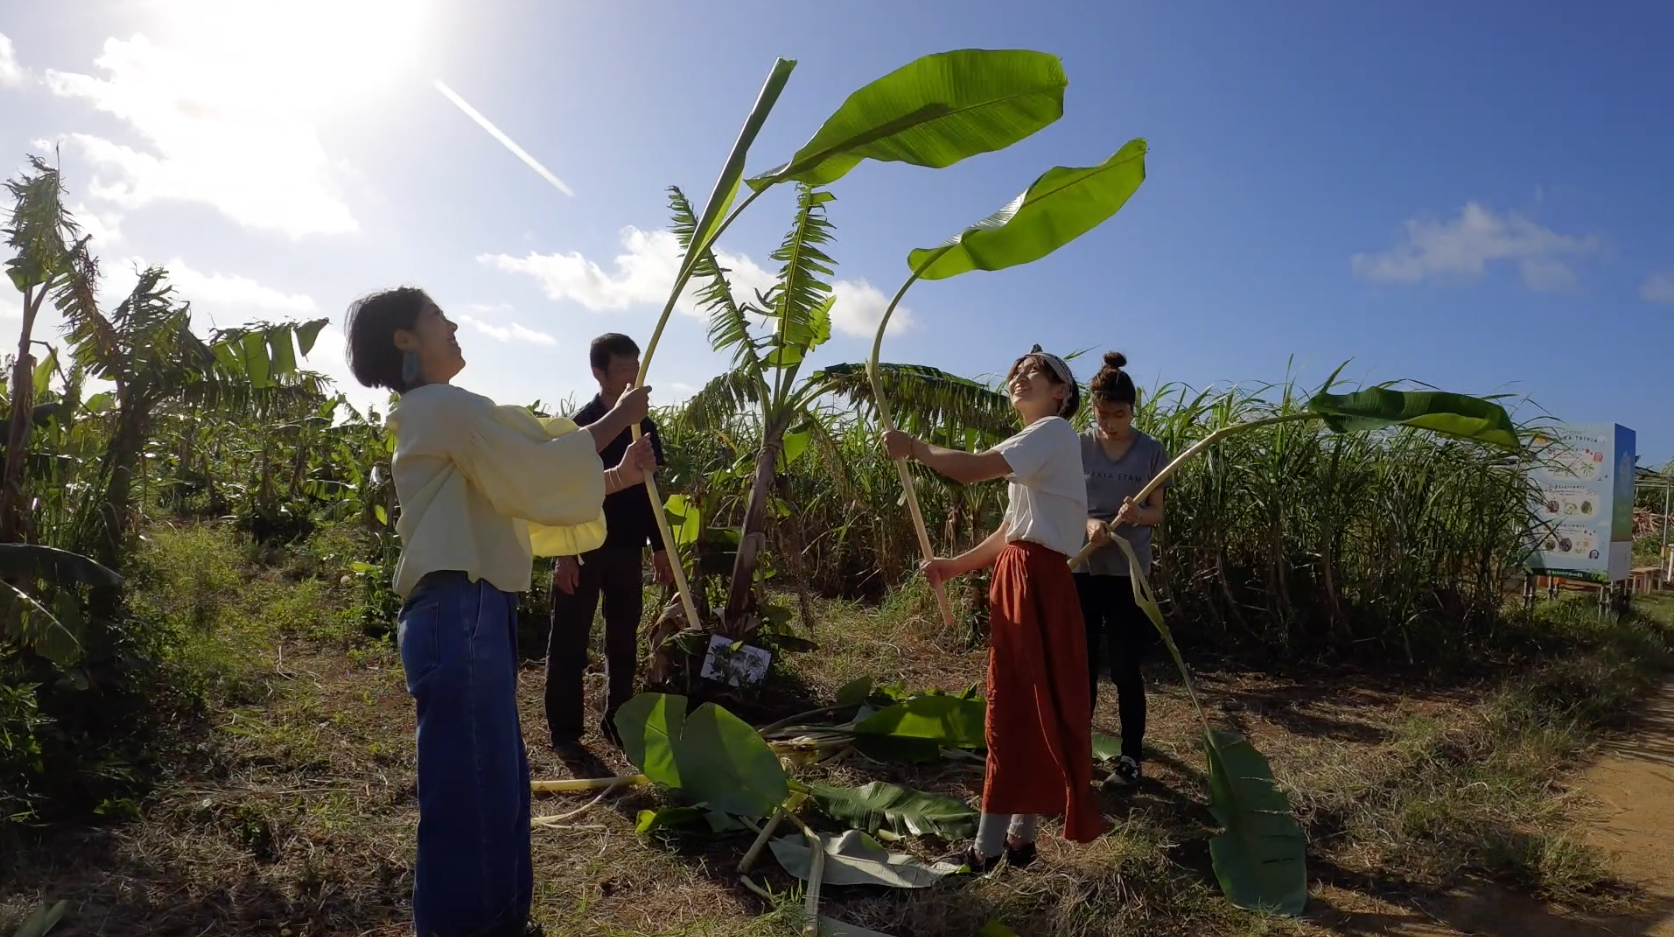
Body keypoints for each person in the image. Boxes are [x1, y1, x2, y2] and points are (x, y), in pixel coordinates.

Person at [346, 287, 656, 937]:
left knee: (498, 784)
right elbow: (533, 467)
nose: (453, 324)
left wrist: (618, 476)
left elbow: (522, 484)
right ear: (404, 339)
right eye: (437, 317)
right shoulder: (437, 407)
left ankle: (504, 922)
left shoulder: (447, 415)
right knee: (474, 791)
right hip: (459, 610)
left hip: (473, 610)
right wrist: (615, 419)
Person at [882, 344, 1108, 871]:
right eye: (1018, 370)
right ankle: (1021, 838)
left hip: (1034, 579)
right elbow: (1010, 531)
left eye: (1037, 372)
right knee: (1029, 701)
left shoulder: (1051, 432)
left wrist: (915, 447)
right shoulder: (1040, 446)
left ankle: (985, 848)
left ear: (1062, 393)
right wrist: (954, 565)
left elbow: (974, 469)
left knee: (1010, 706)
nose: (1021, 376)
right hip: (1027, 574)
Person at [545, 333, 675, 750]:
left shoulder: (645, 427)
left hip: (625, 550)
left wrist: (659, 547)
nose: (631, 379)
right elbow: (563, 493)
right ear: (599, 374)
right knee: (569, 640)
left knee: (622, 639)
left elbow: (650, 491)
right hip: (582, 549)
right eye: (622, 370)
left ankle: (619, 720)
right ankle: (565, 731)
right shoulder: (582, 427)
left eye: (635, 369)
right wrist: (564, 555)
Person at [1073, 351, 1170, 788]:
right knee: (1083, 665)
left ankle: (1131, 756)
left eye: (1118, 414)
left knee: (1126, 668)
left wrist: (1135, 516)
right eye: (1102, 414)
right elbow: (1069, 505)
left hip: (1128, 573)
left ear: (1133, 409)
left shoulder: (1152, 451)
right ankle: (1077, 749)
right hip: (1083, 569)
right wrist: (1090, 522)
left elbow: (1156, 514)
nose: (1109, 422)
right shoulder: (1078, 446)